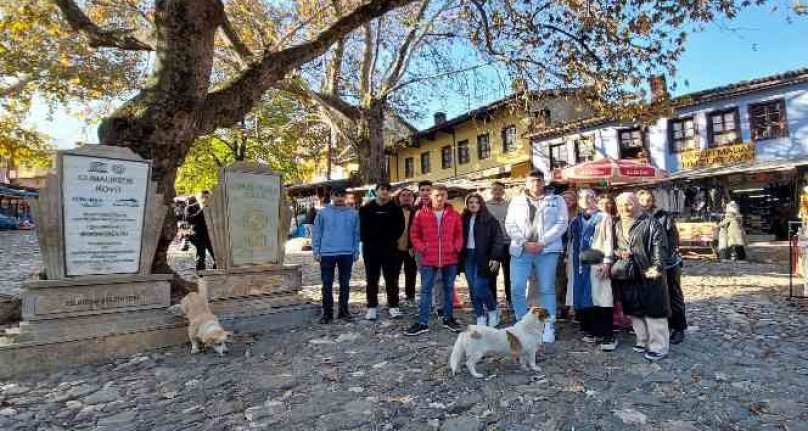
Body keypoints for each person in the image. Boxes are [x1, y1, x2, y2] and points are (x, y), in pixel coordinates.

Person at [505, 170, 569, 343]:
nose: (536, 184)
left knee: (546, 287)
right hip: (522, 249)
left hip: (546, 250)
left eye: (539, 181)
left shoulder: (557, 200)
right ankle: (522, 322)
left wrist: (542, 241)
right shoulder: (517, 201)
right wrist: (524, 242)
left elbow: (562, 223)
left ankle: (548, 325)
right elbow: (510, 224)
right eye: (532, 181)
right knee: (517, 286)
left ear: (544, 182)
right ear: (526, 183)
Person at [613, 192, 670, 361]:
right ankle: (642, 339)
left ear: (636, 204)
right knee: (634, 309)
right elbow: (616, 247)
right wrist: (620, 253)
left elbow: (659, 246)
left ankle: (659, 345)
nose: (625, 208)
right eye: (622, 205)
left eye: (629, 203)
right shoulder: (617, 225)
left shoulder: (651, 223)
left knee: (654, 309)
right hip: (628, 272)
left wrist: (657, 267)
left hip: (647, 271)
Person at [405, 184, 464, 335]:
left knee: (448, 289)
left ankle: (448, 318)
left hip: (449, 257)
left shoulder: (454, 214)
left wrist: (455, 247)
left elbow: (459, 234)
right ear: (430, 196)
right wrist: (423, 248)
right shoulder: (421, 214)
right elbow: (414, 234)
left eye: (443, 195)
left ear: (446, 196)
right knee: (425, 290)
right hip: (428, 258)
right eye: (436, 195)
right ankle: (423, 322)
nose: (440, 198)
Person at [567, 189, 617, 351]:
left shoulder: (603, 218)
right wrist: (567, 259)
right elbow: (571, 242)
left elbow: (608, 239)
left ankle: (608, 334)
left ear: (595, 199)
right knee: (583, 296)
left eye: (589, 196)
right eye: (582, 197)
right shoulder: (575, 220)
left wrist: (607, 261)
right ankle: (591, 330)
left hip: (597, 261)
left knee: (602, 297)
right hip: (578, 264)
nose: (586, 200)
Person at [638, 190, 687, 345]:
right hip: (647, 264)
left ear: (652, 201)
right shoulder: (637, 218)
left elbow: (673, 240)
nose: (645, 203)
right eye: (642, 200)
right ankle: (660, 327)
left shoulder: (664, 216)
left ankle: (678, 327)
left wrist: (661, 260)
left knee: (674, 295)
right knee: (655, 297)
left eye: (648, 200)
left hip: (668, 263)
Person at [312, 186, 360, 324]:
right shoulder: (322, 213)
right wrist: (316, 251)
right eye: (336, 195)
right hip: (327, 253)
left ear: (345, 197)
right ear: (331, 196)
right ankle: (327, 313)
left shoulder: (353, 213)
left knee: (344, 284)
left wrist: (356, 251)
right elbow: (317, 232)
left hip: (346, 253)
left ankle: (343, 311)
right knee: (327, 284)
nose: (339, 198)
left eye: (342, 195)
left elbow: (356, 233)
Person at [359, 183, 405, 320]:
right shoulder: (366, 208)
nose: (385, 192)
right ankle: (371, 307)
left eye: (387, 190)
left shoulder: (395, 208)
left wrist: (390, 239)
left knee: (391, 279)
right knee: (372, 279)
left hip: (390, 248)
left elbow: (400, 227)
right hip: (371, 249)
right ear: (376, 191)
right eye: (382, 189)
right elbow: (362, 229)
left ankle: (393, 306)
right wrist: (371, 240)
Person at [461, 193, 505, 327]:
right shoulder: (463, 219)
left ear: (481, 204)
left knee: (480, 287)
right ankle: (480, 315)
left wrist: (495, 257)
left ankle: (492, 311)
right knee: (472, 288)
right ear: (467, 205)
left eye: (476, 202)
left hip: (484, 257)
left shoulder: (490, 220)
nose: (473, 205)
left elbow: (498, 240)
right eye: (470, 203)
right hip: (468, 256)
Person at [486, 181, 511, 306]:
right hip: (493, 246)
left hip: (508, 243)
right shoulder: (485, 206)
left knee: (510, 274)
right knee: (492, 274)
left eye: (500, 190)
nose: (498, 192)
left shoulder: (510, 205)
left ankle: (510, 300)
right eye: (495, 189)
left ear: (503, 191)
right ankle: (492, 302)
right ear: (491, 191)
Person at [394, 188, 418, 305]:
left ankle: (410, 295)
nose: (406, 197)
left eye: (409, 195)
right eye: (403, 195)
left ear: (413, 198)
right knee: (393, 273)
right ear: (398, 198)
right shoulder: (392, 211)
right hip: (395, 248)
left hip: (411, 248)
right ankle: (393, 296)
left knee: (411, 272)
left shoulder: (417, 212)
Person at [557, 189, 578, 321]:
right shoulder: (556, 214)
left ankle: (574, 308)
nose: (567, 201)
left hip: (573, 251)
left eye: (571, 198)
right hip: (558, 250)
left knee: (573, 280)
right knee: (559, 280)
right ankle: (561, 308)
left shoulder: (579, 215)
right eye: (565, 199)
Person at [185, 191, 215, 270]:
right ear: (198, 198)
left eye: (207, 197)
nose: (204, 199)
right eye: (202, 197)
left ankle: (216, 273)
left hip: (211, 236)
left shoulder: (214, 207)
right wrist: (202, 209)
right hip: (198, 235)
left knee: (218, 256)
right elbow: (190, 220)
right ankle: (201, 275)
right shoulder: (190, 207)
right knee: (201, 257)